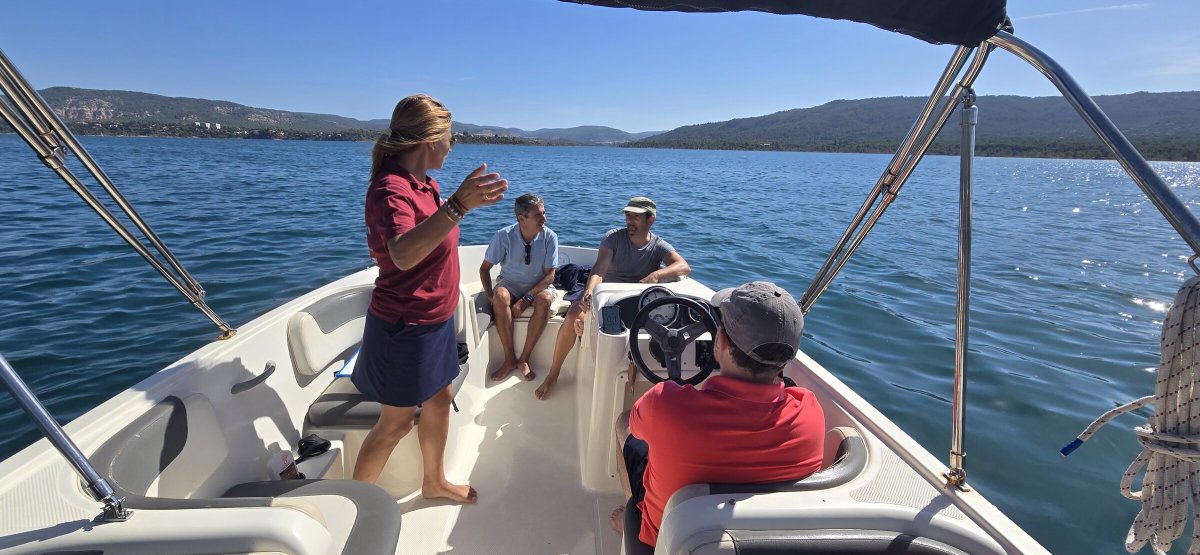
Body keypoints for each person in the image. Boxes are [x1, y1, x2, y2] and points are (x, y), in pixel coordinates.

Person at [350, 94, 508, 504]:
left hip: (434, 321)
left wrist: (456, 206)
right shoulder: (390, 188)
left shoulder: (426, 185)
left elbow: (436, 238)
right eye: (449, 138)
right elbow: (402, 253)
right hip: (405, 325)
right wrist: (458, 206)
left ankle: (433, 481)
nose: (452, 146)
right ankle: (348, 508)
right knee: (395, 425)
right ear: (430, 139)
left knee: (441, 398)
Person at [612, 281, 826, 548]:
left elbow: (638, 425)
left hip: (666, 540)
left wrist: (674, 393)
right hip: (755, 541)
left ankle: (633, 519)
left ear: (720, 340)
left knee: (624, 423)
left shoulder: (665, 405)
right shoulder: (810, 412)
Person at [535, 196, 690, 400]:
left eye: (635, 216)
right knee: (574, 315)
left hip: (635, 299)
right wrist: (590, 291)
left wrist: (656, 275)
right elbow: (600, 269)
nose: (629, 221)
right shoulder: (613, 238)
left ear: (650, 219)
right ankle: (553, 375)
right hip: (606, 294)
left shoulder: (659, 246)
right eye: (627, 215)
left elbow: (684, 266)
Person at [480, 193, 559, 382]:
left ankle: (524, 359)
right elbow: (484, 269)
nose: (544, 219)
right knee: (500, 296)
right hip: (510, 284)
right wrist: (491, 296)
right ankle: (509, 359)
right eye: (538, 215)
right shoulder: (503, 236)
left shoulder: (550, 237)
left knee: (545, 300)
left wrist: (526, 300)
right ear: (521, 218)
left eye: (544, 213)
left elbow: (550, 276)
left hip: (539, 285)